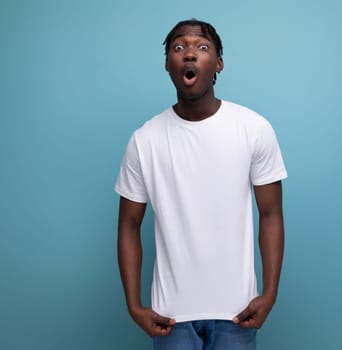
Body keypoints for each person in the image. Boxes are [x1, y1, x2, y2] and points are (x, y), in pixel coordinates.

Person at [115, 19, 287, 350]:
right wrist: (134, 305)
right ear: (168, 64)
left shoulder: (253, 128)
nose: (190, 54)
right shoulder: (144, 140)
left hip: (238, 311)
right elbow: (128, 225)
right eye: (179, 48)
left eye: (202, 47)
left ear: (218, 63)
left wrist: (270, 293)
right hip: (170, 316)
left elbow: (271, 215)